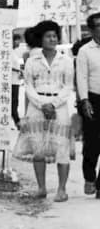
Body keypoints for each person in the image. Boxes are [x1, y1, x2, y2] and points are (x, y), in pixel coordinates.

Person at [13, 21, 72, 201]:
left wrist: (53, 104)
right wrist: (41, 104)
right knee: (38, 148)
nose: (52, 39)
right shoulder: (31, 61)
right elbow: (28, 86)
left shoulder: (66, 60)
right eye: (48, 36)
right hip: (36, 106)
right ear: (41, 39)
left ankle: (62, 189)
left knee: (61, 147)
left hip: (59, 106)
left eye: (54, 36)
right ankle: (41, 188)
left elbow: (68, 86)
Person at [76, 12, 100, 197]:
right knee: (92, 143)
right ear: (91, 30)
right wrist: (84, 101)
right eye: (97, 25)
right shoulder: (85, 51)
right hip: (92, 99)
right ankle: (90, 177)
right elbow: (81, 78)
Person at [10, 33, 24, 126]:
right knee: (14, 101)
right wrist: (19, 70)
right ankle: (17, 120)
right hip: (11, 81)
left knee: (15, 101)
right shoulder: (9, 52)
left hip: (15, 80)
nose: (19, 42)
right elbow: (9, 66)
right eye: (17, 40)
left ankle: (16, 120)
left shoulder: (13, 52)